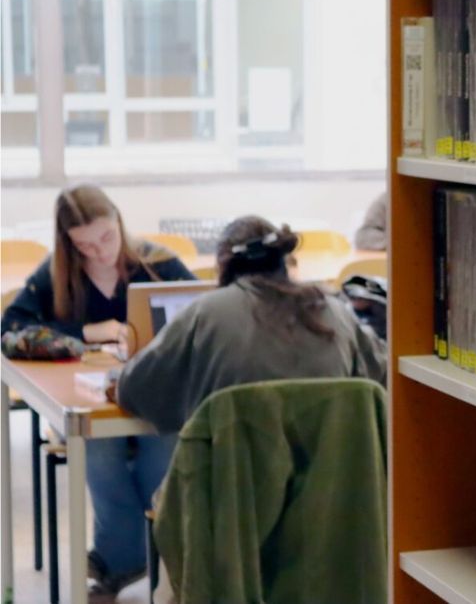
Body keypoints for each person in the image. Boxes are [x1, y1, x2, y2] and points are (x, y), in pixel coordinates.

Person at [0, 184, 195, 602]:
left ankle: (125, 560)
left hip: (153, 396)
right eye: (84, 245)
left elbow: (203, 312)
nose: (100, 251)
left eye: (107, 237)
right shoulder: (56, 273)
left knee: (160, 436)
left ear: (119, 224)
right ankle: (141, 558)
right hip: (84, 398)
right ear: (68, 243)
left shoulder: (157, 262)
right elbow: (11, 329)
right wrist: (88, 334)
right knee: (100, 449)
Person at [114, 215, 387, 435]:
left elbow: (133, 390)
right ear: (285, 260)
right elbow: (382, 375)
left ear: (222, 266)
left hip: (233, 493)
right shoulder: (335, 312)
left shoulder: (206, 312)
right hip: (328, 494)